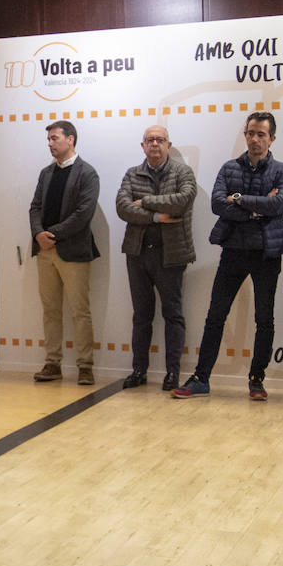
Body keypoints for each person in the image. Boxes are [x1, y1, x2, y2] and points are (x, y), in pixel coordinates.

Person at [173, 112, 283, 400]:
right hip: (233, 250)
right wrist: (255, 208)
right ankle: (201, 378)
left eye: (261, 134)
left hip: (266, 253)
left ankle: (256, 379)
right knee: (215, 316)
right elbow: (217, 204)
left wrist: (237, 199)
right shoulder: (229, 168)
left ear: (272, 138)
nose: (254, 139)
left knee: (264, 319)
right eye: (250, 133)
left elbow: (277, 204)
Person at [115, 124, 196, 391]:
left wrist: (146, 201)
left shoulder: (182, 172)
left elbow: (182, 201)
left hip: (171, 254)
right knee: (141, 316)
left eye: (160, 140)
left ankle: (172, 372)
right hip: (138, 254)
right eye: (149, 140)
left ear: (168, 145)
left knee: (173, 314)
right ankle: (139, 370)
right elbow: (123, 208)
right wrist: (156, 217)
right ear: (142, 146)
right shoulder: (132, 173)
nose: (154, 144)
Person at [27, 120, 101, 384]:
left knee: (80, 311)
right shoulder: (46, 173)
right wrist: (38, 234)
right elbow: (35, 207)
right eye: (48, 139)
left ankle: (85, 366)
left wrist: (52, 234)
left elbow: (83, 214)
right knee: (50, 310)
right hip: (44, 251)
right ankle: (52, 363)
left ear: (70, 140)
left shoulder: (87, 173)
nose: (50, 143)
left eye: (54, 138)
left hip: (73, 251)